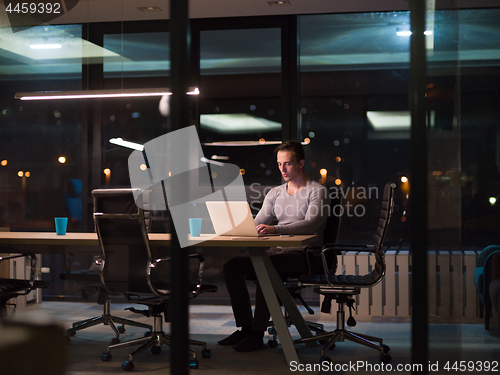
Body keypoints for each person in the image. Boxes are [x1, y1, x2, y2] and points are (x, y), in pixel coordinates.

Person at [218, 140, 330, 352]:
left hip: (306, 256)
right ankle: (246, 328)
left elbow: (311, 225)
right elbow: (259, 222)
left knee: (266, 267)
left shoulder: (317, 191)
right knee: (232, 267)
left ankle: (257, 335)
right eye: (279, 164)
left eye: (287, 163)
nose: (283, 169)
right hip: (277, 253)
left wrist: (275, 230)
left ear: (301, 163)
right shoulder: (275, 193)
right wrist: (234, 225)